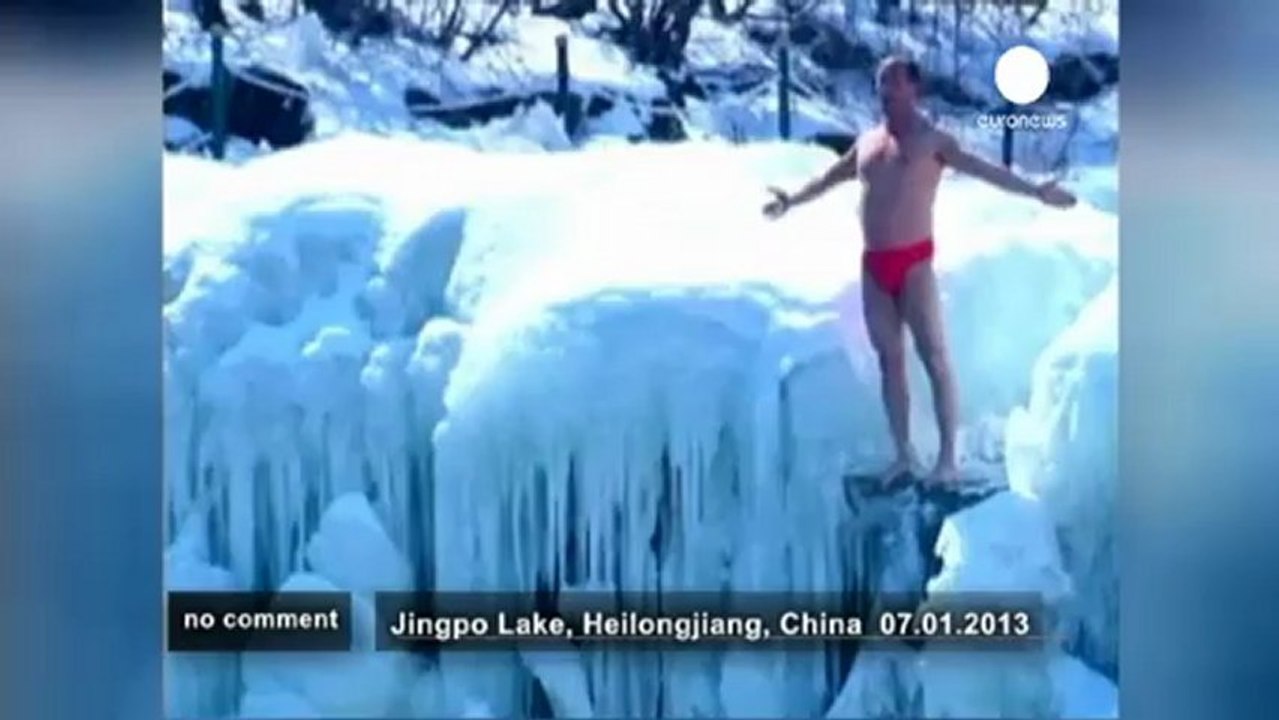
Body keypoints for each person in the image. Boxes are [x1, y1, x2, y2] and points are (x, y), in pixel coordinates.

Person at [762, 55, 1077, 489]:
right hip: (874, 265)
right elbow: (831, 177)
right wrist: (791, 200)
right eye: (880, 84)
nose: (884, 92)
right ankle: (902, 454)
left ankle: (948, 459)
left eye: (892, 83)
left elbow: (986, 170)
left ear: (915, 89)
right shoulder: (868, 143)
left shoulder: (934, 141)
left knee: (934, 358)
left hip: (914, 263)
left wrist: (1038, 191)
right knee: (890, 361)